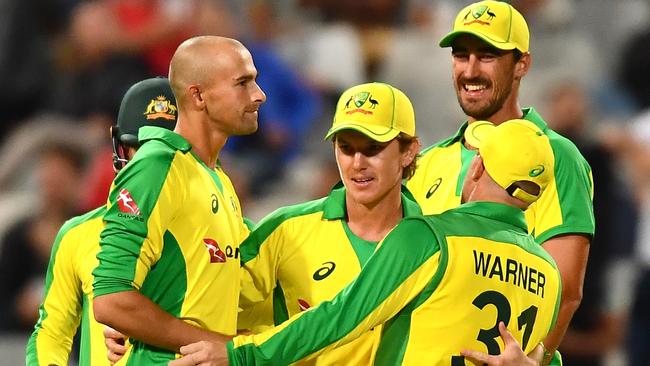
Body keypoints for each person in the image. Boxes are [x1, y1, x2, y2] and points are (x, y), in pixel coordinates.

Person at [170, 119, 562, 365]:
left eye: (372, 148)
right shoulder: (549, 274)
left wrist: (244, 356)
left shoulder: (431, 237)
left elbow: (342, 315)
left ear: (476, 166)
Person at [404, 1, 593, 364]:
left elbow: (565, 291)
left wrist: (533, 362)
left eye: (487, 56)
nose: (470, 70)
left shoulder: (558, 157)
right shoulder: (428, 162)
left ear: (522, 64)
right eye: (461, 55)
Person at [91, 36, 266, 363]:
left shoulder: (217, 178)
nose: (259, 95)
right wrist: (222, 347)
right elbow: (111, 299)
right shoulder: (157, 166)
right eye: (242, 83)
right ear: (198, 96)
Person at [236, 82, 420, 365]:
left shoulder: (435, 243)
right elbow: (212, 303)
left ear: (408, 151)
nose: (357, 163)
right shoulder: (286, 229)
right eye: (346, 148)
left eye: (373, 149)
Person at [24, 77, 178, 365]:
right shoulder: (79, 234)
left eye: (168, 153)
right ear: (123, 149)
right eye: (143, 150)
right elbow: (52, 333)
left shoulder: (225, 227)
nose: (154, 164)